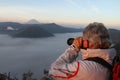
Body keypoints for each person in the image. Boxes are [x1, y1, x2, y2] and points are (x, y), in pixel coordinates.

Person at [47, 22, 117, 80]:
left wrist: (74, 47)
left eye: (84, 38)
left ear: (88, 42)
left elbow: (54, 70)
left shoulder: (86, 68)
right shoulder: (112, 59)